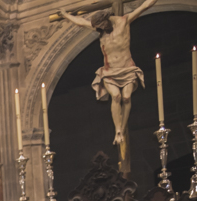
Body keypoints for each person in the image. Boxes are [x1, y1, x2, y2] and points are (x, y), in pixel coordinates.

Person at [59, 0, 157, 150]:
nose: (99, 30)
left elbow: (145, 6)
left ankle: (122, 128)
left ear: (106, 20)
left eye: (101, 26)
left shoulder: (124, 21)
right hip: (109, 71)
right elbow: (81, 22)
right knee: (116, 96)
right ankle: (117, 130)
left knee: (126, 97)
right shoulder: (100, 28)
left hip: (127, 69)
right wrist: (65, 15)